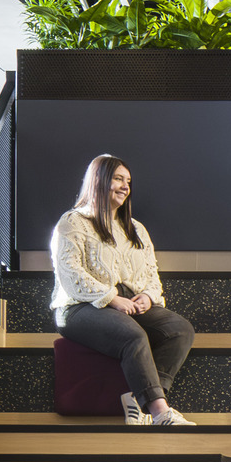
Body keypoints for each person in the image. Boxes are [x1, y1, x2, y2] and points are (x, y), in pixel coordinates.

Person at [49, 154, 193, 428]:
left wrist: (148, 297)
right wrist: (111, 299)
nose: (125, 186)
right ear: (99, 181)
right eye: (118, 179)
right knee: (132, 334)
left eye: (128, 181)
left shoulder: (136, 229)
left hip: (127, 303)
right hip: (80, 306)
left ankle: (139, 400)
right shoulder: (73, 222)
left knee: (180, 329)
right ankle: (161, 412)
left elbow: (152, 273)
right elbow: (70, 273)